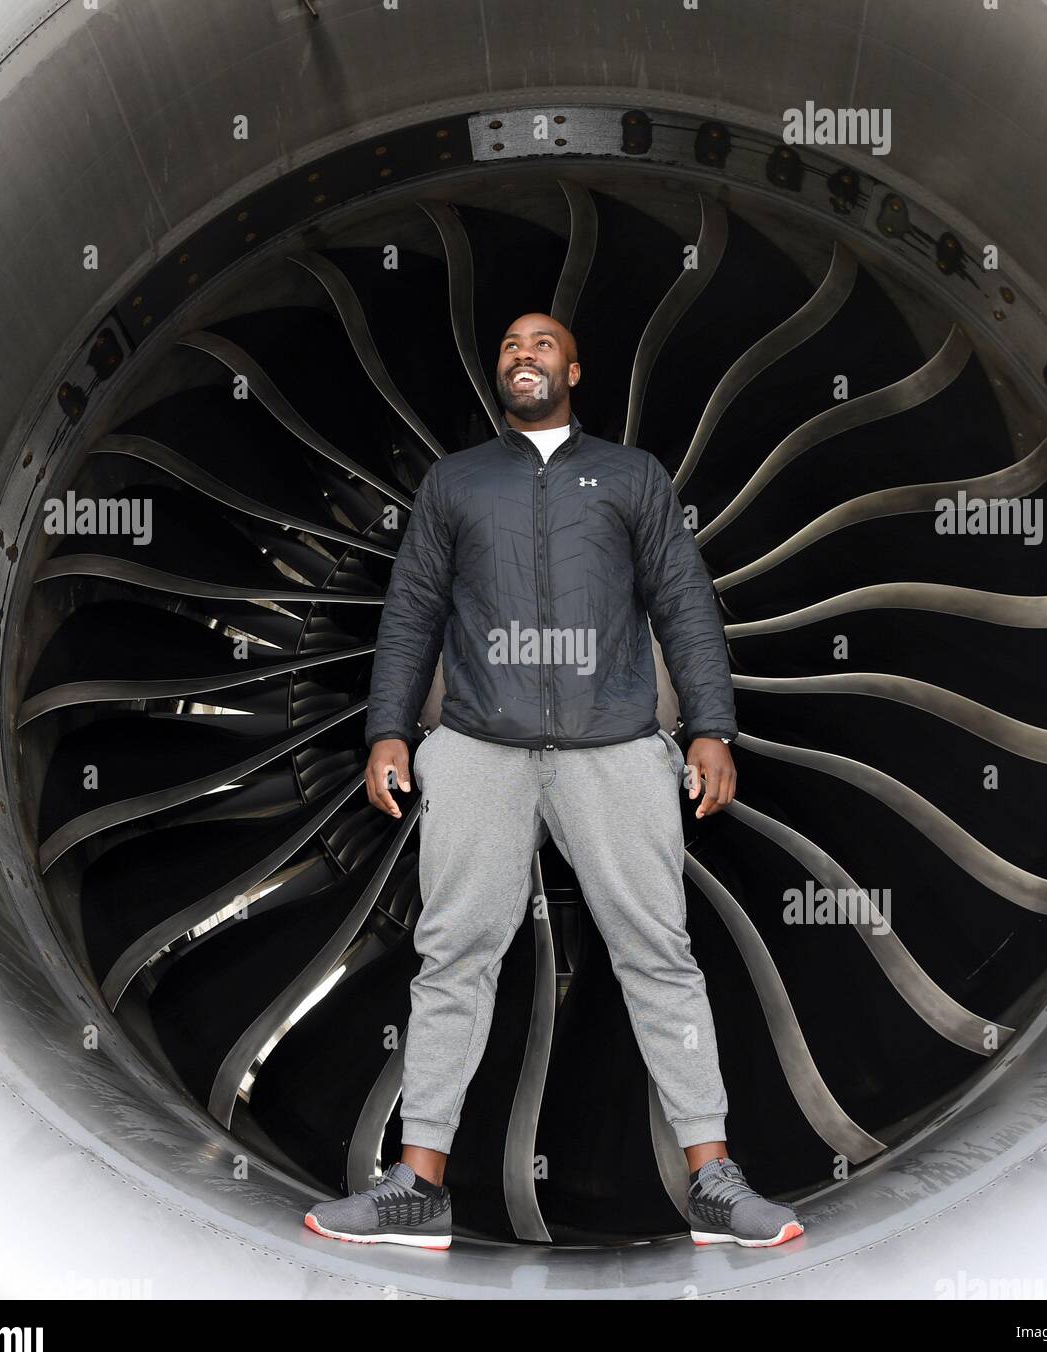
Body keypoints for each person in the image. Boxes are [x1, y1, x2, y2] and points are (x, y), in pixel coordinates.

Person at [304, 314, 802, 1251]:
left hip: (612, 746)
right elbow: (412, 610)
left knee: (658, 955)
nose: (521, 355)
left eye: (541, 345)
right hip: (480, 746)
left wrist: (710, 729)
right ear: (499, 374)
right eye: (508, 347)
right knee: (454, 956)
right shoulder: (456, 481)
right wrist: (387, 732)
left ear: (573, 367)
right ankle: (419, 1186)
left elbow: (684, 604)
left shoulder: (632, 477)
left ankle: (714, 1179)